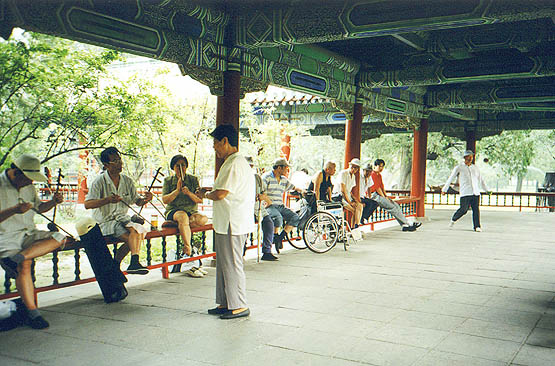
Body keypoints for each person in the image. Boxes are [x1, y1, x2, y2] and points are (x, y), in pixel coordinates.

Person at [0, 154, 66, 329]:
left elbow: (39, 208)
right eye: (29, 179)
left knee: (59, 237)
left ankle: (16, 259)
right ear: (17, 172)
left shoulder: (29, 186)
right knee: (25, 266)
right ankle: (33, 312)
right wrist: (14, 210)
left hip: (28, 233)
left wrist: (53, 202)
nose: (32, 183)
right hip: (5, 237)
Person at [198, 124, 254, 319]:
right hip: (228, 221)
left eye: (215, 143)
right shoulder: (235, 162)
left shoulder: (233, 163)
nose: (214, 147)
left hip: (233, 222)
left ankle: (239, 304)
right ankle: (225, 302)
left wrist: (205, 194)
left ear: (225, 141)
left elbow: (221, 194)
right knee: (223, 264)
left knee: (231, 264)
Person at [84, 147, 153, 274]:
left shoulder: (127, 181)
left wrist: (146, 199)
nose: (120, 163)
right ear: (106, 165)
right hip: (106, 221)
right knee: (133, 237)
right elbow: (87, 204)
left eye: (120, 160)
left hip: (122, 219)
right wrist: (107, 200)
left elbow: (136, 201)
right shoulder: (99, 182)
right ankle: (122, 264)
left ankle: (122, 265)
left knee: (138, 231)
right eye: (115, 161)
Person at [162, 154, 208, 276]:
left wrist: (188, 193)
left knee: (203, 219)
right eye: (178, 166)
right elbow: (165, 200)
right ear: (173, 167)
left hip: (191, 211)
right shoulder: (168, 181)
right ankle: (187, 248)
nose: (181, 168)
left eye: (183, 165)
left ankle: (183, 226)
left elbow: (199, 199)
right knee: (182, 217)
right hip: (174, 211)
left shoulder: (193, 179)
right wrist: (177, 190)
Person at [262, 158, 305, 249]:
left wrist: (302, 191)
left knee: (295, 217)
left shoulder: (284, 179)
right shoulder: (266, 177)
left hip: (280, 206)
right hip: (269, 206)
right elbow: (262, 193)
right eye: (285, 168)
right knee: (278, 218)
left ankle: (279, 238)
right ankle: (275, 238)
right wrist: (268, 202)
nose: (287, 170)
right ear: (279, 168)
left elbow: (293, 187)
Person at [442, 150, 489, 232]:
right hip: (465, 192)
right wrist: (444, 189)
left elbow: (481, 180)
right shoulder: (459, 167)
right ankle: (454, 219)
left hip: (475, 192)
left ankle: (477, 226)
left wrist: (486, 190)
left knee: (476, 210)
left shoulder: (475, 168)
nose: (471, 158)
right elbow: (451, 178)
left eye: (472, 156)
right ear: (465, 157)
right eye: (469, 156)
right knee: (464, 209)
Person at [369, 159, 421, 231]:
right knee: (392, 207)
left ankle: (404, 225)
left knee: (396, 205)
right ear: (375, 166)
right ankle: (407, 223)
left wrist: (386, 196)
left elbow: (381, 187)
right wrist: (384, 197)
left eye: (382, 167)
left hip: (380, 194)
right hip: (374, 195)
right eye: (379, 166)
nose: (381, 168)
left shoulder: (379, 175)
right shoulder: (373, 174)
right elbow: (377, 188)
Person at [246, 157, 277, 261]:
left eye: (251, 166)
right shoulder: (240, 178)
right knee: (245, 226)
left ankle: (267, 251)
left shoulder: (257, 178)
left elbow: (264, 192)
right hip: (245, 208)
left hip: (258, 207)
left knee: (269, 223)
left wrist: (262, 196)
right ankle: (242, 249)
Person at [334, 158, 364, 228]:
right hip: (339, 197)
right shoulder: (343, 173)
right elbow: (342, 190)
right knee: (354, 210)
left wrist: (355, 200)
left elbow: (349, 191)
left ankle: (356, 226)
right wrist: (350, 202)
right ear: (349, 165)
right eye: (352, 167)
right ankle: (354, 228)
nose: (354, 169)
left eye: (356, 168)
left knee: (360, 206)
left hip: (347, 197)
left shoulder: (353, 176)